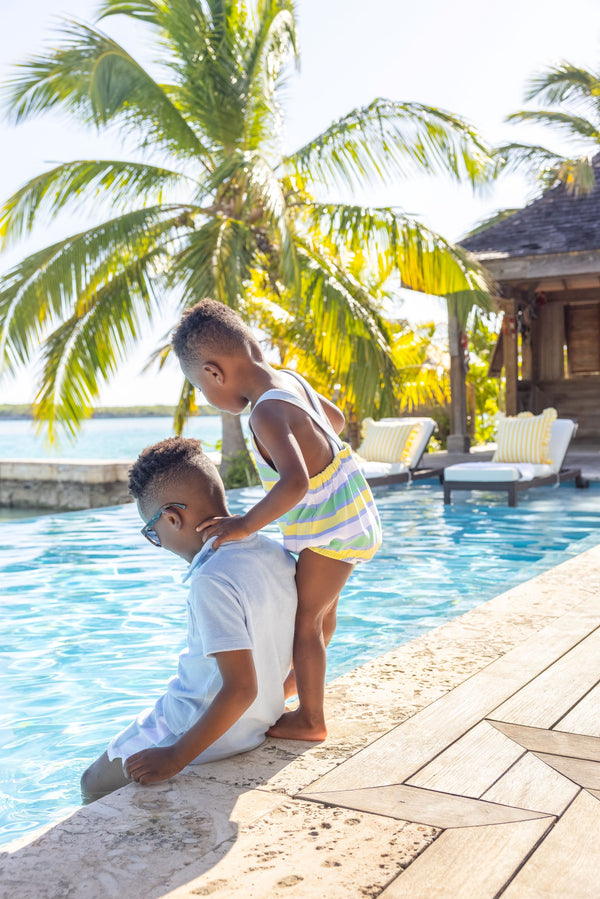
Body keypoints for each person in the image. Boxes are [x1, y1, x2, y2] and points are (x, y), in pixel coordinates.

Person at [171, 299, 382, 742]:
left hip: (328, 530)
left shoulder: (265, 411)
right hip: (352, 516)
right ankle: (292, 690)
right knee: (322, 616)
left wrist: (244, 524)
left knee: (305, 623)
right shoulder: (290, 381)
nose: (209, 398)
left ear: (214, 372)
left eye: (201, 388)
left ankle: (311, 719)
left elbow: (295, 484)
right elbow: (337, 420)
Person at [80, 437, 297, 802]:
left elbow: (241, 687)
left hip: (191, 732)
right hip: (254, 727)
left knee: (91, 784)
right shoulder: (277, 555)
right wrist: (277, 695)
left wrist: (175, 756)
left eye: (153, 533)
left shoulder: (211, 578)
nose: (158, 541)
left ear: (172, 518)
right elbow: (311, 635)